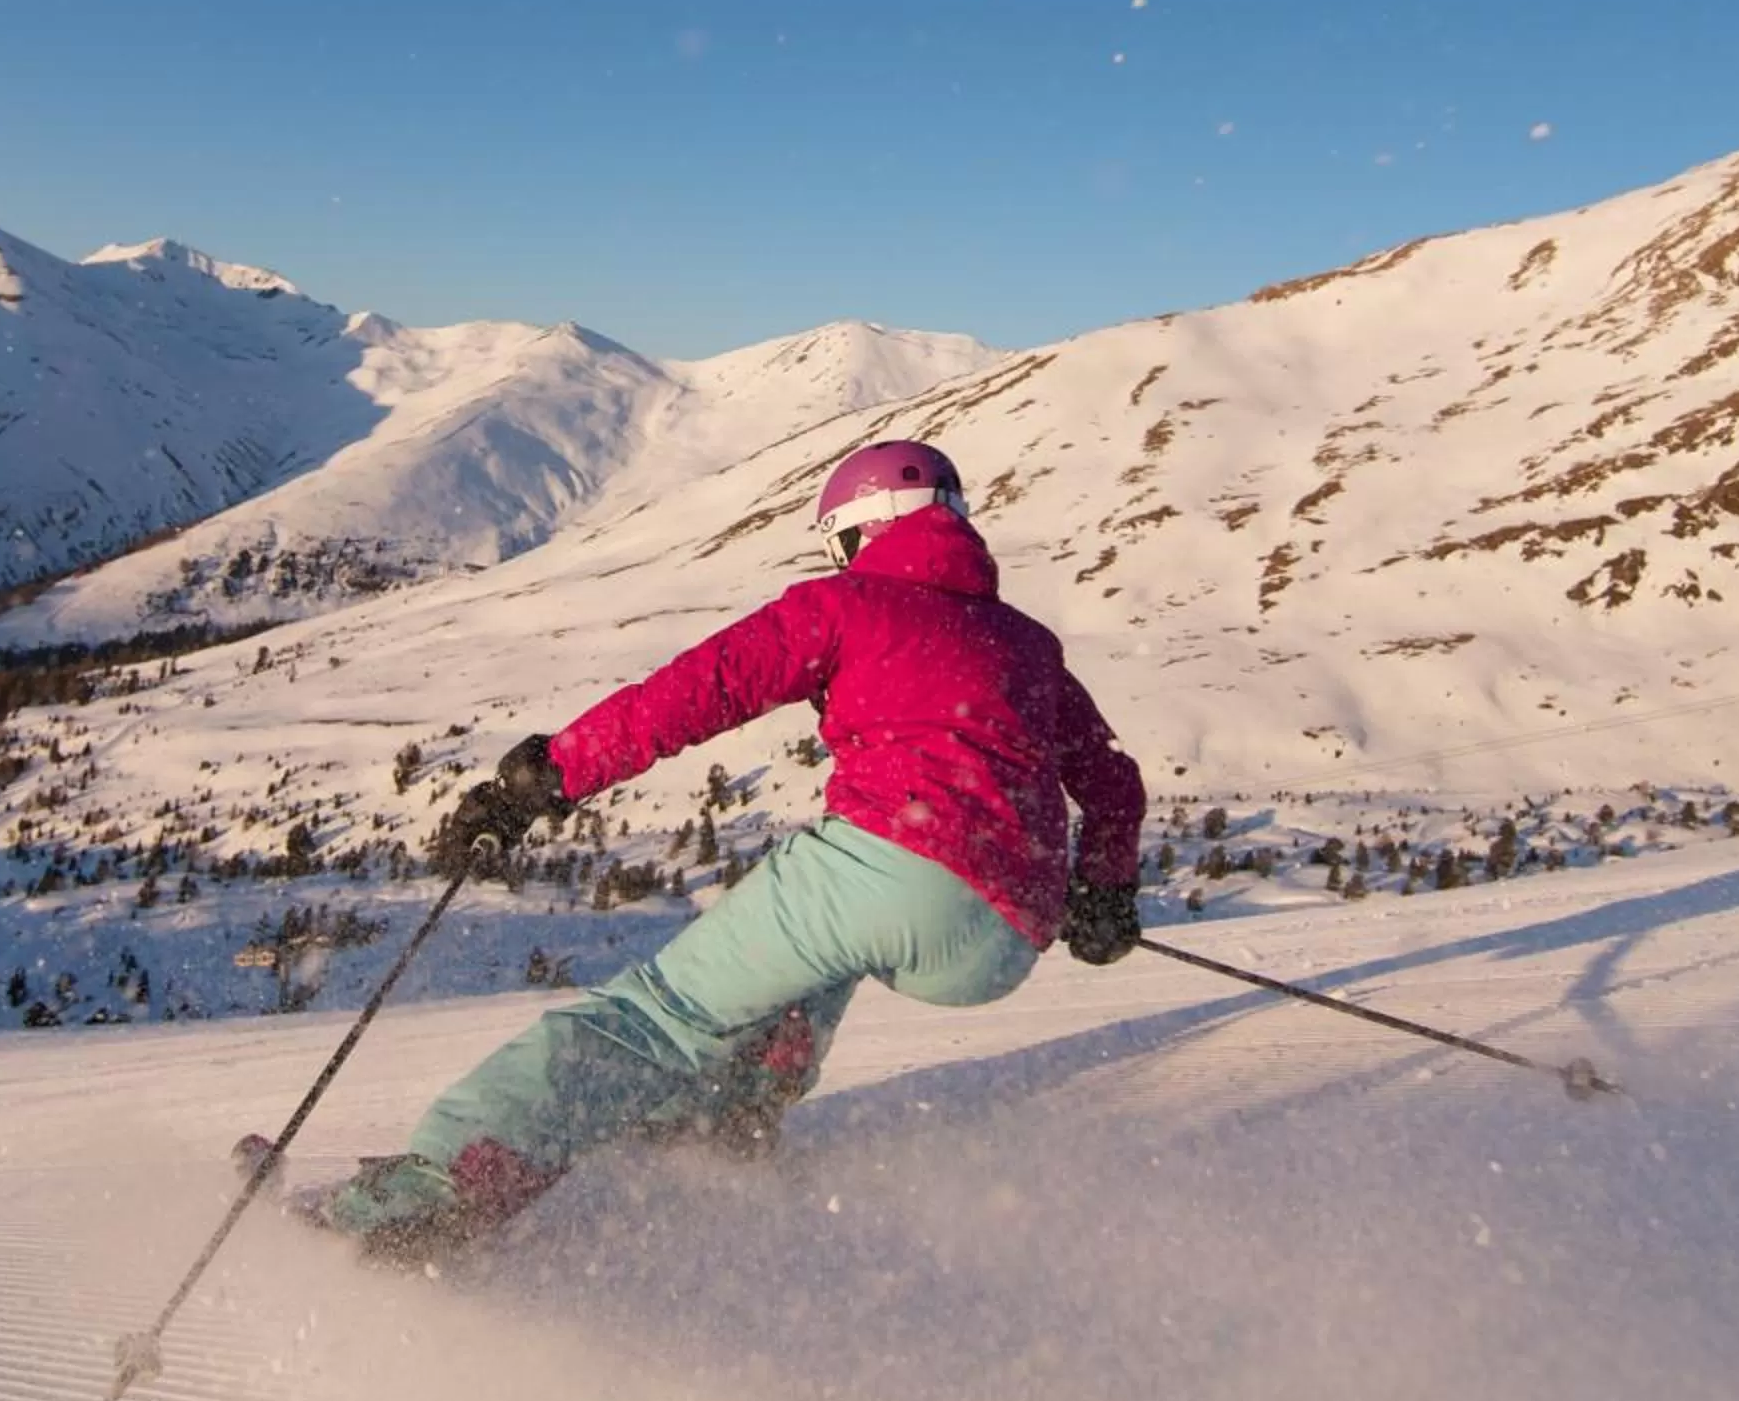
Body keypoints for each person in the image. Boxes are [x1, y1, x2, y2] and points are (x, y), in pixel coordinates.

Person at [304, 439, 1147, 1261]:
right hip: (1003, 939)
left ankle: (442, 1187)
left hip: (889, 865)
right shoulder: (1028, 643)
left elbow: (691, 696)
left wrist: (545, 780)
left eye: (843, 544)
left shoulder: (845, 605)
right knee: (820, 947)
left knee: (653, 1019)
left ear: (865, 530)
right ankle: (734, 1114)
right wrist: (1102, 895)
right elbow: (1113, 785)